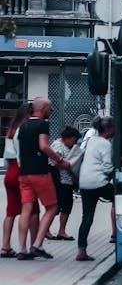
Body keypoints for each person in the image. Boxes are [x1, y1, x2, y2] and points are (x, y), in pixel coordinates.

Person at [17, 97, 67, 260]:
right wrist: (59, 159)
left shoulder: (23, 125)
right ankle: (37, 244)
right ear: (43, 108)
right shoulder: (42, 124)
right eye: (50, 108)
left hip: (24, 174)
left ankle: (22, 249)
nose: (50, 111)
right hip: (40, 172)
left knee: (26, 210)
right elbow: (44, 146)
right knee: (52, 207)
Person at [1, 104, 39, 258]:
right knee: (33, 210)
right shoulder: (25, 130)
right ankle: (33, 246)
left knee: (10, 211)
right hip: (22, 171)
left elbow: (6, 159)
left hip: (10, 172)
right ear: (29, 114)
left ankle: (5, 246)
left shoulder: (10, 130)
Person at [76, 116, 115, 261]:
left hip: (85, 182)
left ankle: (81, 251)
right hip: (98, 182)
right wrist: (114, 172)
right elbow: (107, 167)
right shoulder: (106, 144)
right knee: (120, 198)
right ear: (108, 129)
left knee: (87, 217)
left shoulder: (91, 140)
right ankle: (118, 233)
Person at [49, 126, 82, 241]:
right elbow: (54, 162)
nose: (74, 143)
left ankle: (61, 231)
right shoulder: (58, 145)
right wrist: (68, 165)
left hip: (67, 181)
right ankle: (46, 229)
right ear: (68, 137)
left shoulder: (70, 146)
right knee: (57, 207)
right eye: (73, 140)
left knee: (67, 206)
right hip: (59, 181)